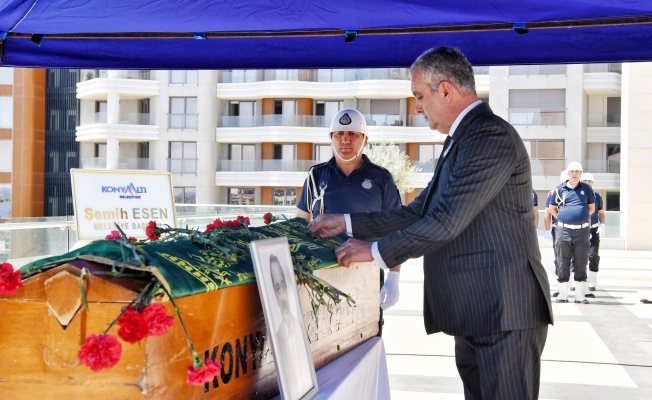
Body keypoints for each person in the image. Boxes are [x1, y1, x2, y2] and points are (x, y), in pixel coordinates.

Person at [307, 47, 552, 400]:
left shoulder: (488, 137)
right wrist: (345, 221)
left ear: (446, 91)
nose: (417, 107)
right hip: (480, 311)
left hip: (504, 312)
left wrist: (374, 252)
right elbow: (417, 211)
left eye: (419, 96)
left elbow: (446, 221)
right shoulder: (462, 140)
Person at [296, 108, 402, 335]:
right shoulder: (315, 176)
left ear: (365, 140)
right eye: (339, 134)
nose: (345, 140)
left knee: (364, 344)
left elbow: (397, 231)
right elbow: (299, 226)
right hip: (321, 280)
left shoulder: (381, 178)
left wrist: (394, 276)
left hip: (367, 278)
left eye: (353, 134)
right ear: (331, 138)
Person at [269, 254, 314, 399]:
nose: (282, 293)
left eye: (283, 285)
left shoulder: (299, 326)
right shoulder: (278, 334)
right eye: (277, 288)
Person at [549, 163, 595, 304]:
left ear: (581, 173)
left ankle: (580, 295)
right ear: (568, 173)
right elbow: (552, 209)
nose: (574, 174)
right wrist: (564, 219)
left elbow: (591, 209)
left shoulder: (587, 189)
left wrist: (579, 219)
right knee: (562, 260)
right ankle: (563, 294)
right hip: (564, 230)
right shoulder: (559, 189)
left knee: (581, 260)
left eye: (577, 171)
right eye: (572, 171)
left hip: (582, 231)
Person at [580, 172, 605, 297]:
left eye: (589, 181)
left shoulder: (597, 196)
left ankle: (592, 281)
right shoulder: (577, 194)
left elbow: (601, 213)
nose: (587, 183)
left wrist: (603, 225)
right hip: (581, 229)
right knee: (578, 256)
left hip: (594, 230)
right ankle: (578, 281)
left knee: (593, 255)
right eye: (585, 180)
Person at [546, 170, 567, 297]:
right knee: (559, 257)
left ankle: (574, 284)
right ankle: (561, 286)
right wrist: (547, 230)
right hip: (558, 227)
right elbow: (548, 212)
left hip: (576, 228)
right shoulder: (554, 192)